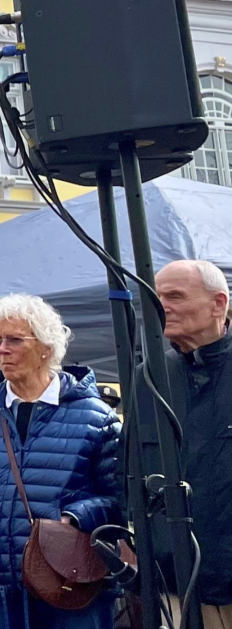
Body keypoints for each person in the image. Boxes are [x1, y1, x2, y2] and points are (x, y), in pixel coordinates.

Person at [0, 294, 121, 629]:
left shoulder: (96, 416)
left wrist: (74, 517)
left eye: (14, 340)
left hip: (69, 579)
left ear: (46, 347)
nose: (2, 349)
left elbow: (119, 497)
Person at [158, 259, 232, 625]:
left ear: (219, 303)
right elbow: (125, 470)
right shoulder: (152, 377)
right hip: (174, 585)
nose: (163, 306)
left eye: (174, 296)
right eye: (157, 297)